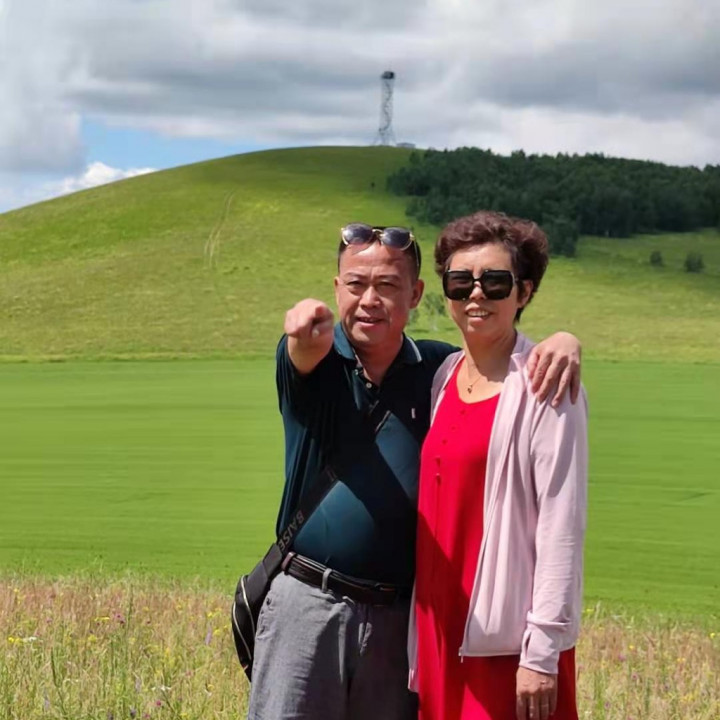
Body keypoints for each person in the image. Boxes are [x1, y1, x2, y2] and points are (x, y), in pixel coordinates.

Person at [246, 222, 582, 720]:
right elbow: (302, 349)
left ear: (417, 294)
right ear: (337, 288)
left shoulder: (438, 369)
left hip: (400, 622)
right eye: (356, 284)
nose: (369, 300)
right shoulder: (318, 365)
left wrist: (565, 341)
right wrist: (302, 328)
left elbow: (499, 359)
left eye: (387, 285)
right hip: (308, 604)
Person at [409, 211, 588, 720]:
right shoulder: (444, 375)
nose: (476, 295)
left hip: (506, 641)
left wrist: (541, 654)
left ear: (524, 292)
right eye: (460, 281)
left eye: (495, 282)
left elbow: (562, 527)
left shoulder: (547, 387)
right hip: (442, 630)